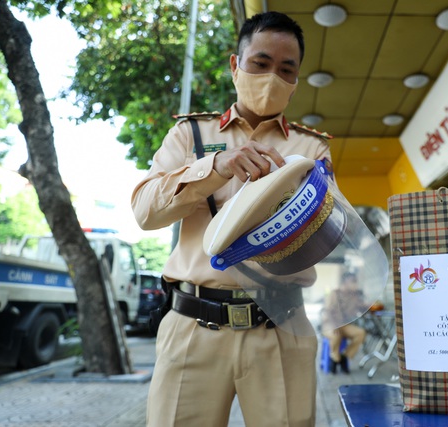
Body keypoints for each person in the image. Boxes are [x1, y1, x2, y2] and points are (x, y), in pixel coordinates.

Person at [131, 11, 332, 427]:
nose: (272, 77)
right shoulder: (193, 136)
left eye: (286, 69)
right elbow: (145, 211)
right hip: (192, 326)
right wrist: (216, 167)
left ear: (295, 82)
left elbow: (323, 232)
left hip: (281, 326)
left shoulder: (311, 148)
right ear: (234, 64)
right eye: (260, 63)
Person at [321, 272, 368, 374]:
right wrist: (334, 326)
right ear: (345, 283)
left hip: (344, 325)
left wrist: (372, 304)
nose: (356, 284)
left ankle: (345, 357)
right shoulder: (334, 293)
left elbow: (362, 306)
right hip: (330, 325)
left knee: (361, 333)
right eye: (353, 281)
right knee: (336, 335)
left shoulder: (354, 296)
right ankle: (335, 359)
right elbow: (327, 311)